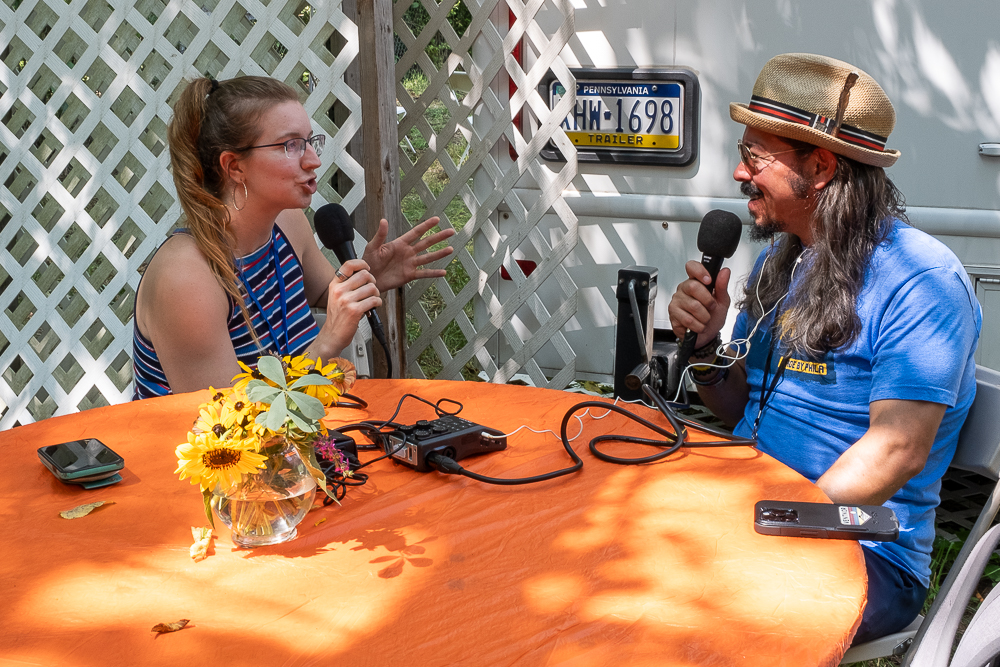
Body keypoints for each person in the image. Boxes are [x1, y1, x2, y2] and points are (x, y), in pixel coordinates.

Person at [668, 53, 981, 644]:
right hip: (751, 513)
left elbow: (896, 453)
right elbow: (743, 411)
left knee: (679, 618)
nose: (739, 173)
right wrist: (707, 345)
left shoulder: (921, 279)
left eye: (755, 156)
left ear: (819, 167)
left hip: (863, 552)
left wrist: (759, 523)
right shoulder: (781, 258)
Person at [132, 76, 454, 398]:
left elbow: (322, 296)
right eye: (291, 145)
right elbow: (229, 426)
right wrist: (326, 341)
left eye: (310, 141)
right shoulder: (186, 279)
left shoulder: (287, 223)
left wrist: (363, 277)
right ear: (234, 167)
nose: (313, 160)